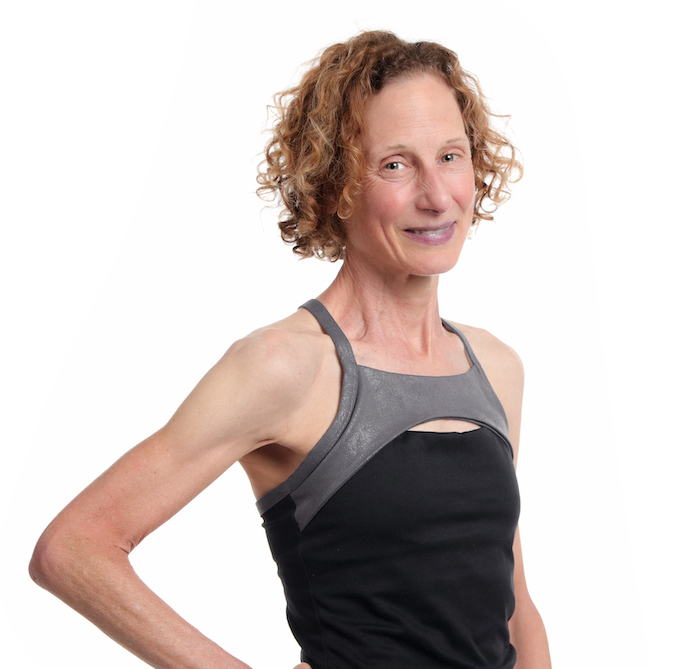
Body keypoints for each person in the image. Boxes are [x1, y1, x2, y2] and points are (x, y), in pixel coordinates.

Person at [30, 30, 551, 668]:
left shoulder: (495, 367)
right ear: (335, 182)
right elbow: (73, 549)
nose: (438, 196)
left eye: (450, 156)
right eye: (395, 164)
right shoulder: (285, 365)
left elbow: (514, 606)